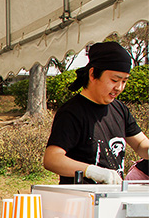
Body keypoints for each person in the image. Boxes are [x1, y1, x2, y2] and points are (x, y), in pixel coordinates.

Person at [44, 41, 149, 184]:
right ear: (93, 74)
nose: (119, 88)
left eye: (124, 81)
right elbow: (52, 159)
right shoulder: (72, 112)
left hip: (112, 199)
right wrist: (91, 171)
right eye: (114, 80)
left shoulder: (119, 109)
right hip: (81, 200)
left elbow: (140, 144)